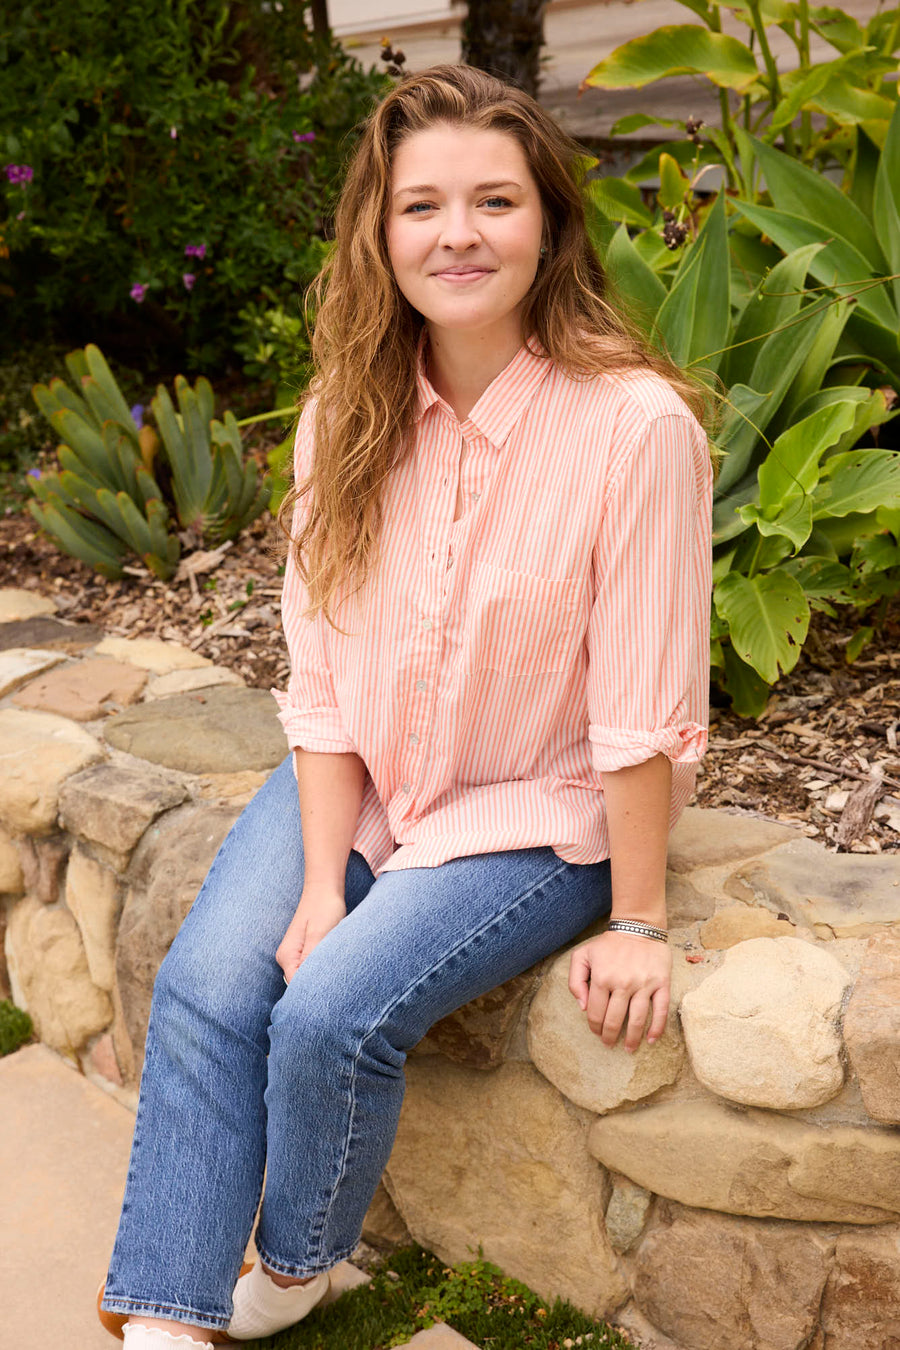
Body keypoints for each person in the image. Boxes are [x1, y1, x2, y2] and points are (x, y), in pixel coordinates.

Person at [99, 62, 713, 1349]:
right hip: (365, 772)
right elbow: (322, 678)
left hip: (536, 812)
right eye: (422, 206)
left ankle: (303, 1261)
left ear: (547, 220)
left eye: (495, 200)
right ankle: (164, 1314)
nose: (459, 235)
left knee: (331, 1012)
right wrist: (325, 882)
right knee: (218, 976)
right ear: (380, 233)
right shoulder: (347, 415)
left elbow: (645, 708)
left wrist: (643, 921)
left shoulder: (634, 428)